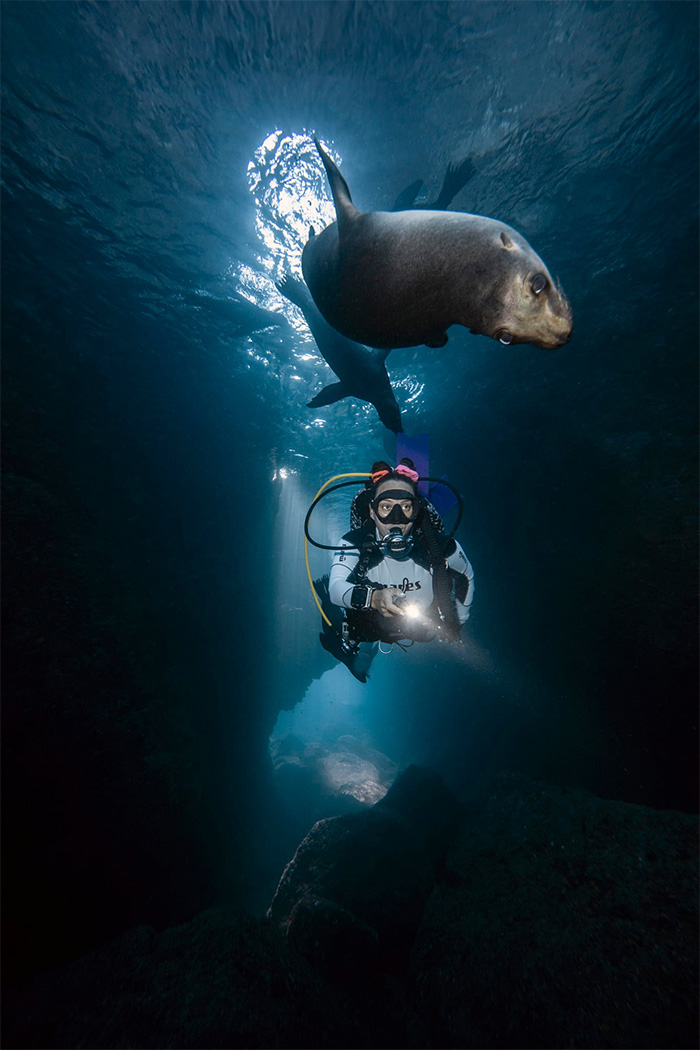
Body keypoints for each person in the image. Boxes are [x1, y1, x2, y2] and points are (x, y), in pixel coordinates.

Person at [319, 458, 474, 681]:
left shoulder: (440, 546)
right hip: (370, 624)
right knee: (361, 631)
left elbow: (465, 575)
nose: (396, 520)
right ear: (372, 512)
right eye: (386, 507)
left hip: (419, 627)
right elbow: (336, 588)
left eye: (406, 507)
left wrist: (457, 621)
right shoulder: (354, 542)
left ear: (416, 511)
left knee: (425, 633)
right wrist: (372, 598)